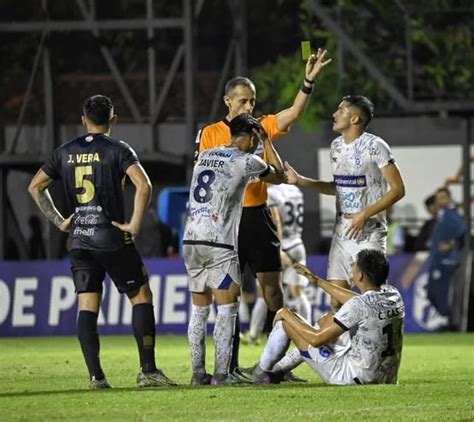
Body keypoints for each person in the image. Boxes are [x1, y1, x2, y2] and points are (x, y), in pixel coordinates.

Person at [194, 48, 332, 370]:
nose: (249, 106)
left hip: (257, 216)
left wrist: (307, 81)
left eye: (252, 101)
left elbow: (294, 112)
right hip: (226, 221)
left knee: (273, 292)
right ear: (228, 101)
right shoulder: (212, 133)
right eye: (243, 101)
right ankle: (228, 367)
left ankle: (273, 364)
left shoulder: (262, 127)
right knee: (229, 297)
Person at [28, 94, 176, 389]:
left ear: (83, 120)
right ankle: (148, 371)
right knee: (141, 296)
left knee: (87, 306)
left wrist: (60, 221)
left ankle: (97, 377)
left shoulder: (65, 151)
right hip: (110, 237)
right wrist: (134, 225)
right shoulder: (118, 149)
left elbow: (35, 186)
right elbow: (143, 185)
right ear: (113, 120)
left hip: (79, 240)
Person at [184, 113, 285, 385]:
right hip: (220, 243)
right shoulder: (246, 160)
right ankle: (222, 374)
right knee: (227, 309)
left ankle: (197, 375)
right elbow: (280, 176)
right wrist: (267, 142)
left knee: (199, 310)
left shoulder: (205, 155)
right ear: (252, 137)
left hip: (191, 239)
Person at [285, 95, 405, 308]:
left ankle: (372, 341)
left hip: (369, 232)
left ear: (355, 119)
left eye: (341, 110)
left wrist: (364, 214)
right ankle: (345, 343)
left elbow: (398, 190)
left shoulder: (375, 146)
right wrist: (301, 181)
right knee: (336, 301)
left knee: (371, 299)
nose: (334, 114)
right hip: (342, 232)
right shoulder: (336, 147)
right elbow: (337, 188)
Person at [242, 249, 405, 385]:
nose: (352, 269)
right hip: (386, 378)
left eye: (354, 266)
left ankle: (261, 371)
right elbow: (358, 302)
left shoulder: (359, 305)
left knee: (289, 323)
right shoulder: (393, 294)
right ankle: (279, 371)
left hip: (351, 377)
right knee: (329, 319)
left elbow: (316, 339)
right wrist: (317, 281)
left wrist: (285, 313)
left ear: (360, 276)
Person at [242, 183, 311, 346]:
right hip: (297, 244)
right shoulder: (295, 190)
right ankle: (308, 331)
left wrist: (278, 246)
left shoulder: (269, 192)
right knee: (297, 293)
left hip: (281, 245)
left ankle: (253, 334)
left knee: (263, 291)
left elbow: (275, 219)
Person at [427, 187, 466, 318]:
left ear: (449, 198)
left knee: (441, 294)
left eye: (443, 197)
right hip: (437, 260)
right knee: (432, 293)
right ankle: (446, 318)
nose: (439, 200)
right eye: (438, 198)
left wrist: (452, 244)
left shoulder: (452, 215)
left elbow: (464, 231)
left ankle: (448, 321)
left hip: (446, 261)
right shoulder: (441, 216)